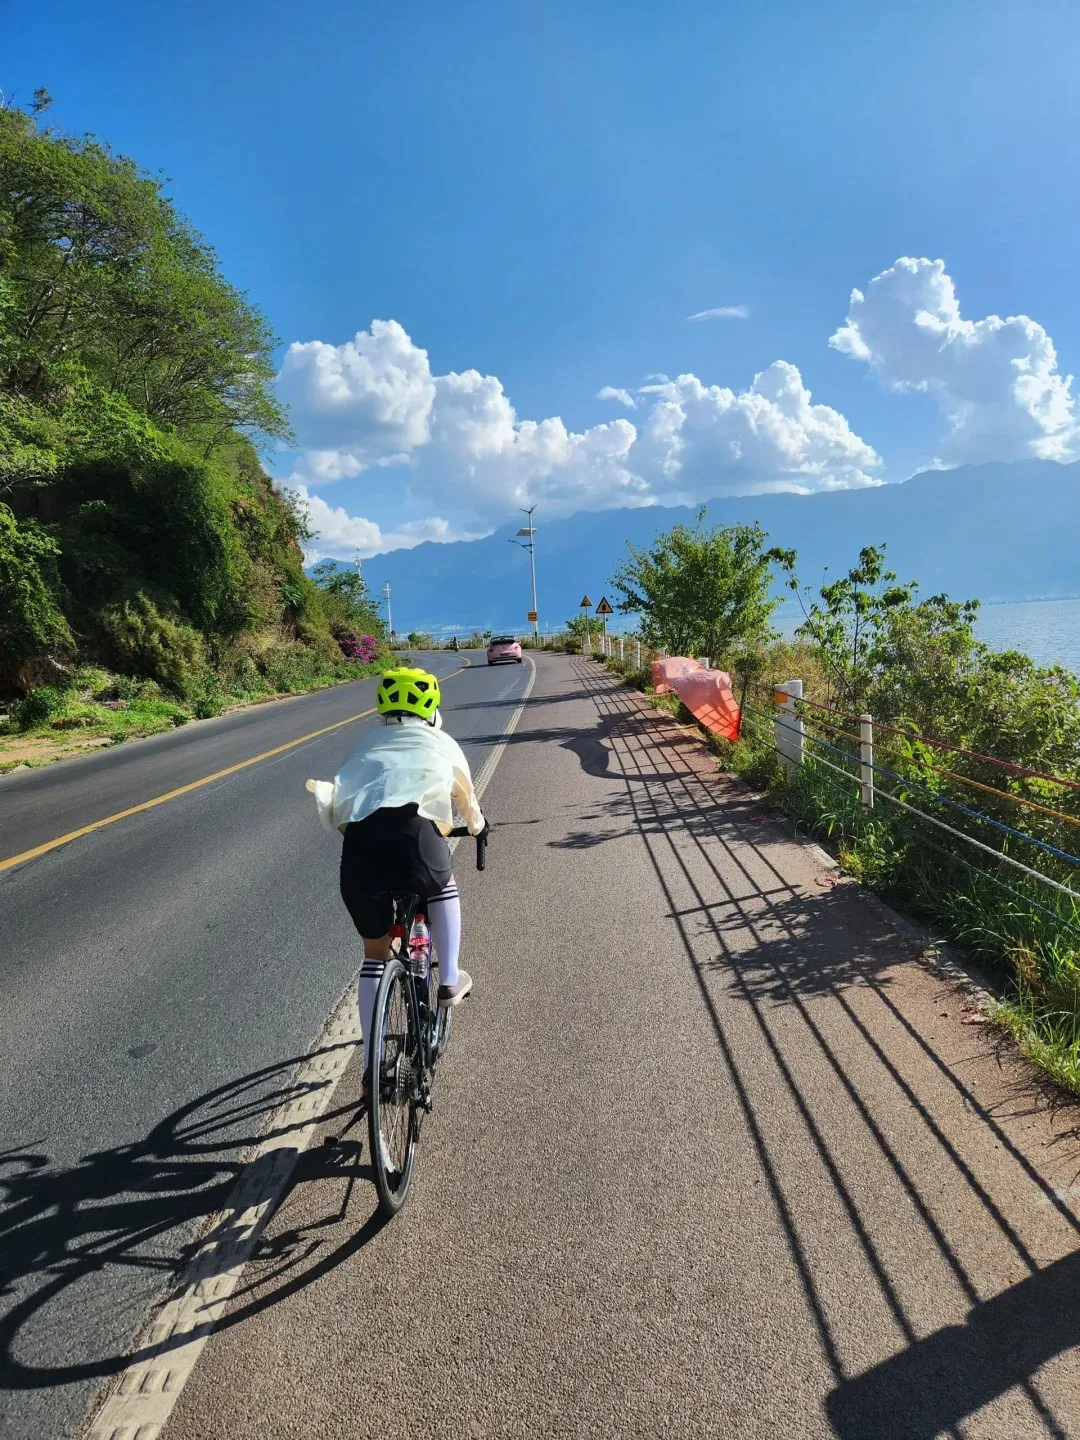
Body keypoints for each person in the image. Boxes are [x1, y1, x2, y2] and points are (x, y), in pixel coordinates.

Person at [306, 665, 486, 1077]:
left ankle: (371, 1063)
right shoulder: (440, 742)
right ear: (431, 707)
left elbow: (341, 805)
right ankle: (450, 978)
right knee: (443, 885)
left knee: (374, 956)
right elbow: (467, 802)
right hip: (416, 843)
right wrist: (477, 827)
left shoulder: (364, 743)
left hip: (360, 855)